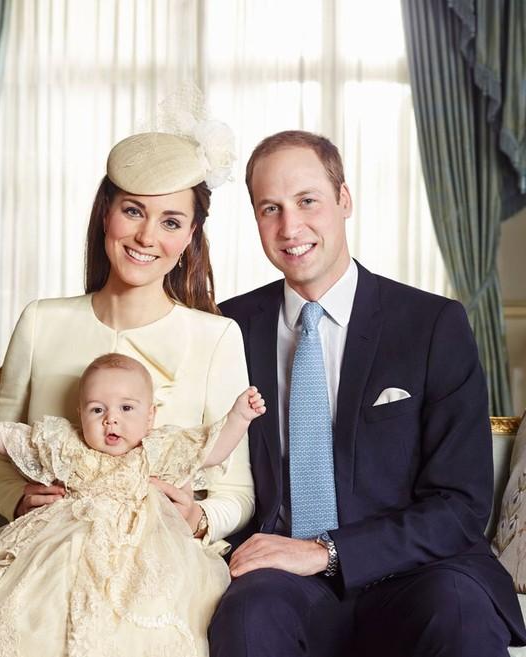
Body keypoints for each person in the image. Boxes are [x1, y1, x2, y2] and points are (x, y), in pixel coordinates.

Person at [210, 130, 526, 657]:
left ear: (344, 200)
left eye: (307, 200)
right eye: (270, 208)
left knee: (458, 611)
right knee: (247, 615)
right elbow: (206, 459)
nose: (291, 227)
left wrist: (327, 551)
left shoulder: (431, 324)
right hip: (283, 581)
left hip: (418, 572)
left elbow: (460, 505)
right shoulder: (226, 328)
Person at [0, 118, 254, 554]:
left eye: (171, 222)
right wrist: (18, 500)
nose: (146, 236)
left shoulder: (217, 337)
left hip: (163, 559)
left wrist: (200, 519)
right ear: (107, 212)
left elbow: (238, 490)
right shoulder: (40, 321)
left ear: (190, 237)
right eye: (133, 211)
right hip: (53, 553)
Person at [0, 353, 265, 657]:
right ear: (80, 414)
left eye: (126, 408)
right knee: (27, 598)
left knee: (150, 608)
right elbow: (16, 441)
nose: (112, 420)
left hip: (143, 547)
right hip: (66, 540)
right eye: (97, 410)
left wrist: (238, 418)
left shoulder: (159, 449)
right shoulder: (69, 447)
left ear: (151, 416)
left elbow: (210, 450)